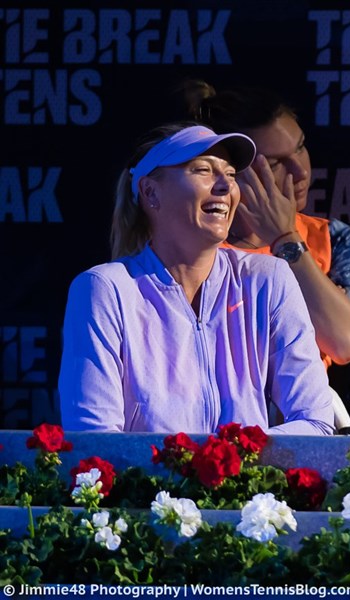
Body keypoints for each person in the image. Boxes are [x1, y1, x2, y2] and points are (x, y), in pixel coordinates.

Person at [59, 123, 335, 434]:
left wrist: (230, 454)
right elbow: (93, 435)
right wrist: (194, 459)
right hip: (149, 470)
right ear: (150, 192)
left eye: (230, 174)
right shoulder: (105, 289)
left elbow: (316, 421)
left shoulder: (267, 279)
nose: (225, 186)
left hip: (249, 468)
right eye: (203, 170)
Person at [179, 81, 350, 372]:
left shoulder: (336, 239)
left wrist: (285, 239)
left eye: (301, 147)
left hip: (301, 400)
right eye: (274, 163)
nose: (301, 171)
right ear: (229, 171)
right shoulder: (188, 244)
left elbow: (344, 343)